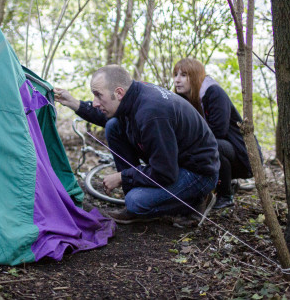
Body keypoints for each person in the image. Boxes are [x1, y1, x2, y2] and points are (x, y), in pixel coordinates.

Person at [55, 65, 220, 224]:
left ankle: (196, 200)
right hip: (173, 163)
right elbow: (104, 116)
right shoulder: (133, 94)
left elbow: (165, 172)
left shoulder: (151, 114)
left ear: (119, 93)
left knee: (136, 201)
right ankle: (135, 199)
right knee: (113, 126)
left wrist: (122, 177)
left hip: (197, 173)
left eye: (98, 95)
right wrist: (72, 102)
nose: (95, 102)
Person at [173, 58, 262, 209]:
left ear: (195, 76)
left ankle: (226, 195)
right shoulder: (182, 99)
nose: (177, 80)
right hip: (221, 153)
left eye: (183, 75)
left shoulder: (214, 92)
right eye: (175, 75)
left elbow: (219, 131)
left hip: (243, 156)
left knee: (212, 146)